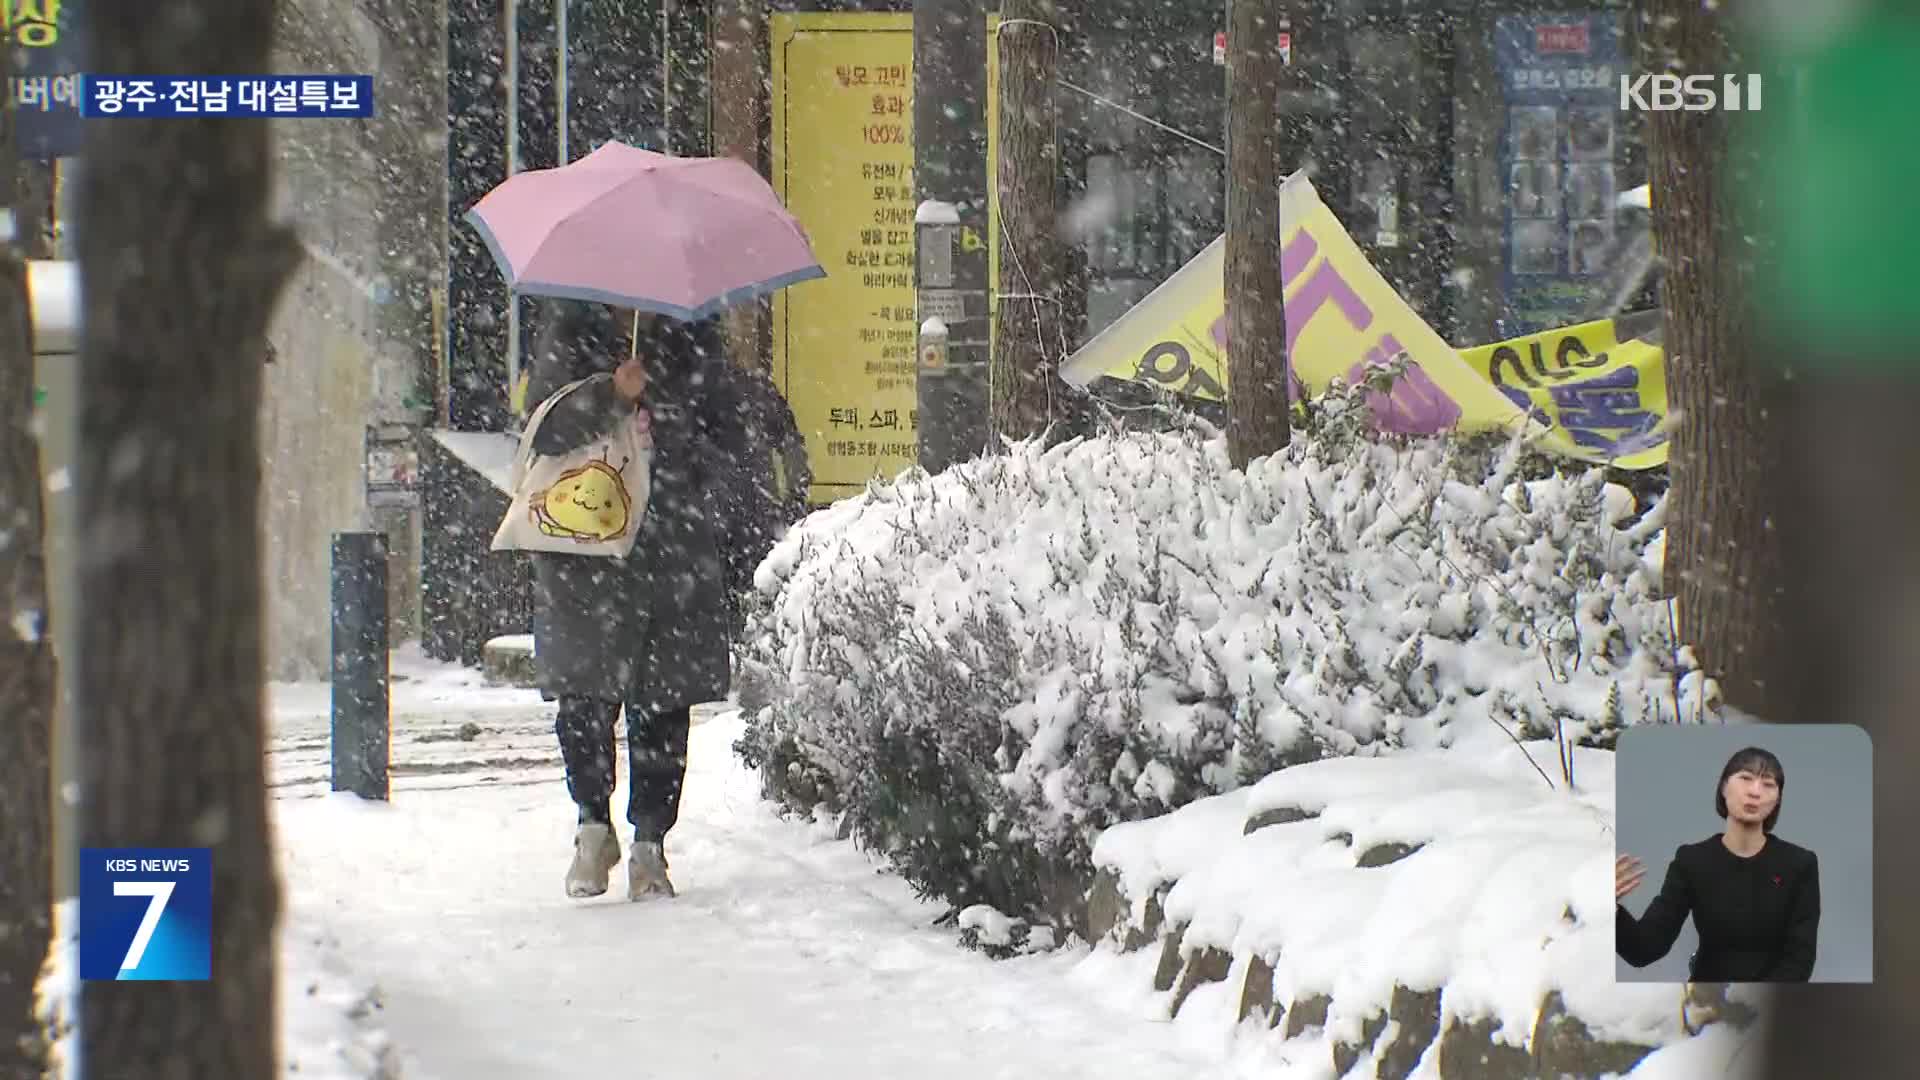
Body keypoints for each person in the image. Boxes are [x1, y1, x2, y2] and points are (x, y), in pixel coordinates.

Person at [522, 301, 744, 901]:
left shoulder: (693, 339)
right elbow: (542, 430)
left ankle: (650, 843)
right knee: (585, 701)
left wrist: (668, 436)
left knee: (663, 708)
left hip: (670, 548)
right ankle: (593, 825)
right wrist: (611, 397)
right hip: (586, 554)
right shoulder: (568, 332)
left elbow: (729, 435)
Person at [1615, 746, 1821, 981]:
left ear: (1777, 800)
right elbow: (1645, 948)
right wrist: (1611, 910)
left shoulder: (1799, 864)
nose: (1755, 791)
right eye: (1746, 778)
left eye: (1768, 784)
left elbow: (1799, 959)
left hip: (1770, 1006)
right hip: (1706, 1004)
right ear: (1724, 787)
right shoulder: (1692, 861)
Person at [718, 362, 810, 636]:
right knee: (754, 608)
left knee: (739, 606)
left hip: (736, 517)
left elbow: (792, 448)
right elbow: (793, 448)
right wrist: (793, 503)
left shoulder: (752, 391)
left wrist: (793, 503)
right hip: (751, 515)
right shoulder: (755, 390)